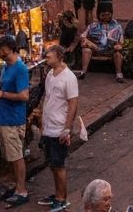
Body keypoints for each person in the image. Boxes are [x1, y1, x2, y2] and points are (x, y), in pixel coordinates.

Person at [36, 44, 79, 212]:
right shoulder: (50, 74)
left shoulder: (69, 78)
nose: (46, 58)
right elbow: (48, 98)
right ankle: (57, 194)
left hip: (59, 128)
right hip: (49, 127)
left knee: (59, 165)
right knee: (53, 164)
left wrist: (67, 128)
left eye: (49, 56)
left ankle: (62, 199)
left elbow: (73, 103)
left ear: (59, 57)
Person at [0, 35, 31, 207]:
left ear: (9, 48)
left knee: (17, 156)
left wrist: (3, 94)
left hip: (13, 119)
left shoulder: (20, 69)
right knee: (10, 156)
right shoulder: (5, 67)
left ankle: (22, 190)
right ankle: (16, 186)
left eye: (0, 50)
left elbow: (24, 96)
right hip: (4, 117)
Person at [80, 7, 125, 82]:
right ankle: (83, 72)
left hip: (110, 49)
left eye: (108, 15)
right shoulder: (93, 26)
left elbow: (121, 41)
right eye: (103, 15)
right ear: (99, 15)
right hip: (95, 49)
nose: (106, 17)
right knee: (86, 50)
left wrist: (119, 46)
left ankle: (119, 74)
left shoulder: (117, 26)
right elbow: (83, 36)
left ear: (111, 15)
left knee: (118, 54)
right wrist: (87, 42)